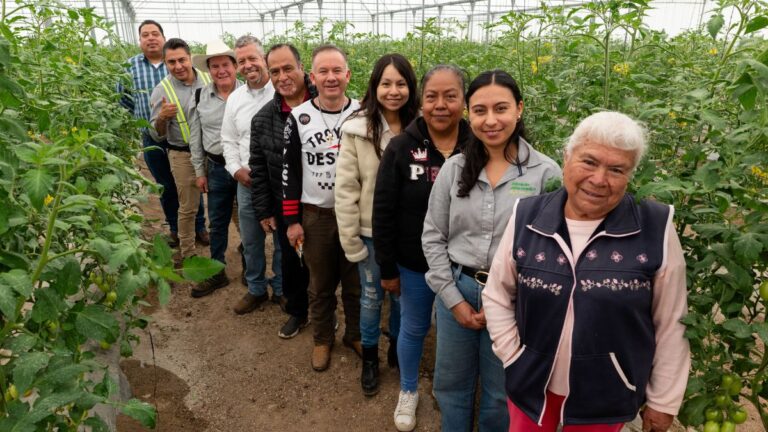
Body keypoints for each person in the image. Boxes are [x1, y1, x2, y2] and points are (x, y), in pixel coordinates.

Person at [483, 111, 690, 432]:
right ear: (566, 158)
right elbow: (497, 293)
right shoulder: (528, 216)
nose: (599, 179)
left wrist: (663, 400)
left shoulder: (654, 228)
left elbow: (671, 321)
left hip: (606, 394)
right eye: (589, 162)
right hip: (532, 385)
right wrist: (514, 356)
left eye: (616, 169)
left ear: (630, 174)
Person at [422, 70, 562, 432]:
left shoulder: (546, 174)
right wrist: (453, 299)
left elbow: (555, 250)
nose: (491, 120)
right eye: (480, 110)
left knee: (502, 391)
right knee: (450, 384)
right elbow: (434, 236)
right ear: (469, 115)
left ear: (519, 109)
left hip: (517, 300)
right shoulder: (454, 169)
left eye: (501, 108)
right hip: (459, 287)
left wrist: (516, 298)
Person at [372, 64, 470, 432]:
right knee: (413, 328)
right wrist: (387, 267)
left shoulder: (478, 146)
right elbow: (382, 210)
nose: (440, 105)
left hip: (461, 268)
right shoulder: (400, 148)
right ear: (421, 100)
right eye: (432, 96)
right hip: (414, 263)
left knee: (453, 334)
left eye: (450, 96)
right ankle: (409, 389)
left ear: (464, 101)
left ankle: (452, 396)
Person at [335, 53, 419, 396]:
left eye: (401, 84)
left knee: (403, 299)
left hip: (411, 235)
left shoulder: (423, 129)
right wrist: (351, 240)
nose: (393, 91)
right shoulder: (357, 130)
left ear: (411, 89)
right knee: (372, 298)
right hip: (371, 234)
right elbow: (346, 189)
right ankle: (370, 356)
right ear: (374, 86)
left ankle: (398, 353)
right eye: (386, 83)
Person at [283, 44, 361, 372]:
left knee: (357, 283)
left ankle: (356, 334)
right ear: (312, 77)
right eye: (323, 72)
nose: (331, 78)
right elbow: (290, 171)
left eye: (337, 71)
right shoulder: (299, 117)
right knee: (320, 284)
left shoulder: (362, 113)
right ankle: (322, 338)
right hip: (316, 216)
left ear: (348, 74)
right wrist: (292, 220)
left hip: (355, 214)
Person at [119, 20, 207, 248]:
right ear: (139, 40)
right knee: (166, 185)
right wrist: (153, 118)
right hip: (153, 136)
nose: (150, 38)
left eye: (155, 33)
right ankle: (176, 229)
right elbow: (124, 101)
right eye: (145, 35)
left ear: (163, 37)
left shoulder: (194, 73)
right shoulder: (129, 67)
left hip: (188, 140)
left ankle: (199, 227)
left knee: (193, 182)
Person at [249, 43, 316, 339]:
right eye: (274, 71)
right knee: (291, 262)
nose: (282, 76)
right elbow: (259, 168)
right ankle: (298, 313)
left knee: (327, 263)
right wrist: (264, 209)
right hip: (285, 203)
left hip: (324, 203)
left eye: (288, 68)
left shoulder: (327, 105)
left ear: (302, 69)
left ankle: (327, 314)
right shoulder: (263, 119)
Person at [221, 35, 283, 314]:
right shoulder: (235, 99)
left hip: (281, 182)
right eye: (242, 60)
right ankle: (256, 288)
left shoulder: (281, 92)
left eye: (252, 58)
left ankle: (281, 287)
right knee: (251, 239)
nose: (248, 65)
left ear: (265, 60)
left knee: (283, 238)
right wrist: (236, 170)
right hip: (248, 182)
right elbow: (228, 140)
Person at [149, 38, 211, 262]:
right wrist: (163, 118)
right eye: (171, 62)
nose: (178, 66)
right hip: (182, 154)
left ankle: (241, 245)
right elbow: (157, 135)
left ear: (190, 57)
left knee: (228, 201)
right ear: (165, 63)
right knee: (188, 207)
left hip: (212, 152)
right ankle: (188, 252)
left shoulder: (207, 77)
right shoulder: (161, 90)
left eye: (182, 60)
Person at [187, 40, 241, 297]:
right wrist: (199, 172)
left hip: (245, 170)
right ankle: (216, 272)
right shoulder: (199, 97)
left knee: (250, 222)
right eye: (215, 66)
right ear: (209, 70)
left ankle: (253, 269)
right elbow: (195, 138)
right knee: (217, 223)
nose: (221, 70)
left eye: (225, 65)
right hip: (217, 168)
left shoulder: (249, 95)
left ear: (235, 67)